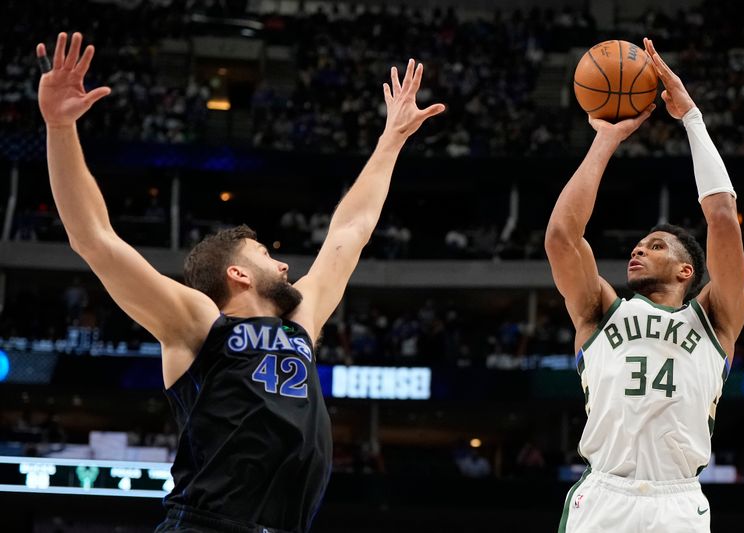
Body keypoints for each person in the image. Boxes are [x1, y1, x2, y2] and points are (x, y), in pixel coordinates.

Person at [36, 32, 444, 533]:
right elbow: (95, 239)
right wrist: (59, 127)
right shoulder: (198, 324)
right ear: (238, 273)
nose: (286, 266)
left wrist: (391, 140)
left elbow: (350, 231)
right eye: (268, 256)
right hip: (206, 524)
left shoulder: (300, 321)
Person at [545, 38, 744, 533]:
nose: (638, 250)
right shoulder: (598, 310)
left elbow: (721, 217)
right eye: (639, 245)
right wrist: (606, 140)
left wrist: (692, 118)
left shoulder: (715, 318)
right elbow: (561, 236)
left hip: (677, 503)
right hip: (604, 495)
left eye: (656, 245)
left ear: (687, 272)